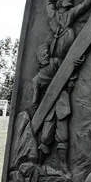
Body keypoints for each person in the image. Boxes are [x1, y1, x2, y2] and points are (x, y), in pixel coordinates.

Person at [32, 43, 71, 171]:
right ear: (39, 57)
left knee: (63, 136)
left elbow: (68, 71)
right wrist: (38, 114)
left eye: (47, 53)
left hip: (62, 103)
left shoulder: (56, 62)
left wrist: (75, 65)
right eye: (43, 54)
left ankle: (63, 165)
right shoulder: (36, 80)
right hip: (48, 108)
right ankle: (38, 164)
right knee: (45, 137)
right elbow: (35, 101)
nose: (46, 55)